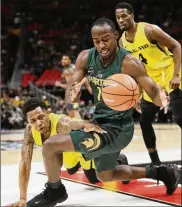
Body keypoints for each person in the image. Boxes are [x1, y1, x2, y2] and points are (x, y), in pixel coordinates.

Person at [26, 18, 179, 207]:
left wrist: (161, 98)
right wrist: (71, 93)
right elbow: (70, 94)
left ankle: (55, 190)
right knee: (106, 175)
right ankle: (162, 173)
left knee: (50, 146)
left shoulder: (129, 63)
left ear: (116, 35)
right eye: (96, 41)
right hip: (100, 123)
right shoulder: (85, 57)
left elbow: (154, 92)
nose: (101, 45)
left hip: (118, 129)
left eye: (106, 39)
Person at [115, 2, 182, 165]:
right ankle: (156, 163)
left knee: (180, 117)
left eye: (124, 16)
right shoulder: (122, 42)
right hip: (150, 81)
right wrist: (137, 93)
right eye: (118, 17)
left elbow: (176, 46)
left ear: (132, 15)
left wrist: (176, 75)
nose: (121, 20)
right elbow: (135, 69)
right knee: (144, 122)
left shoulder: (149, 30)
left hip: (169, 71)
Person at [7, 98, 107, 207]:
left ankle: (118, 160)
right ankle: (55, 190)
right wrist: (22, 198)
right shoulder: (30, 131)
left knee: (94, 178)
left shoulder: (61, 124)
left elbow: (75, 123)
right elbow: (25, 163)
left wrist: (90, 125)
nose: (39, 123)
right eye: (33, 120)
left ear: (48, 113)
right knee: (71, 169)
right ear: (28, 122)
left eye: (41, 117)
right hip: (65, 154)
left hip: (79, 149)